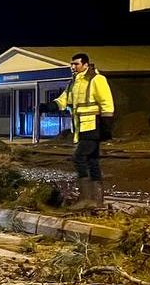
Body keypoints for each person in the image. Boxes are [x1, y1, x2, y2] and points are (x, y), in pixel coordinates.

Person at [40, 52, 115, 210]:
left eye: (76, 64)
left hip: (93, 126)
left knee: (79, 157)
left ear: (86, 65)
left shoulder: (96, 79)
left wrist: (107, 127)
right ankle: (97, 201)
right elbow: (64, 100)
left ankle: (87, 198)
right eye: (72, 64)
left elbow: (107, 103)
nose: (73, 67)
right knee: (92, 162)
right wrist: (49, 106)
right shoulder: (73, 83)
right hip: (80, 128)